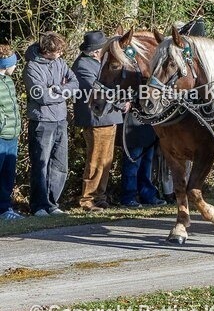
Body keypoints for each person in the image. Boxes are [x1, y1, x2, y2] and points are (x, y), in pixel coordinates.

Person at [24, 32, 79, 216]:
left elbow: (75, 84)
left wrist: (58, 89)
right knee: (41, 164)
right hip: (41, 121)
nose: (60, 54)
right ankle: (39, 205)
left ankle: (52, 203)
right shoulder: (32, 67)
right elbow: (40, 96)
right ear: (47, 50)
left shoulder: (60, 63)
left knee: (59, 164)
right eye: (57, 51)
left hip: (60, 120)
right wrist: (62, 93)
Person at [72, 30, 124, 211]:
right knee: (95, 160)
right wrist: (120, 100)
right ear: (96, 51)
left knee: (106, 160)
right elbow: (97, 90)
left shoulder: (98, 63)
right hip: (96, 118)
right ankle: (87, 199)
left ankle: (100, 196)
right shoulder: (83, 66)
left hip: (109, 117)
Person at [119, 110, 161, 206]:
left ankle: (147, 195)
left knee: (147, 164)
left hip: (148, 121)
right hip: (133, 121)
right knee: (132, 164)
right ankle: (128, 197)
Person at [0, 46, 21, 220]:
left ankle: (5, 208)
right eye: (14, 63)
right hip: (1, 135)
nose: (16, 66)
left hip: (11, 135)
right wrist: (3, 124)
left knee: (8, 174)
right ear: (6, 64)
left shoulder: (8, 81)